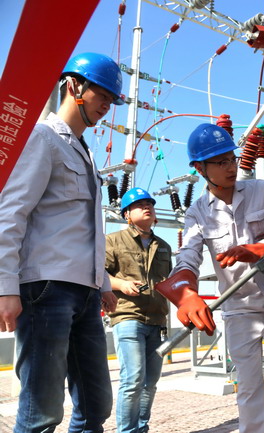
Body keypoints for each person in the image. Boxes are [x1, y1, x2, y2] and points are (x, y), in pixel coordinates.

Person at [155, 123, 264, 433]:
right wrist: (185, 292)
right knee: (249, 388)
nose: (231, 167)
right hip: (240, 309)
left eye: (231, 158)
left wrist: (256, 249)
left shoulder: (261, 190)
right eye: (220, 162)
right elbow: (188, 256)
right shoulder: (198, 213)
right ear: (200, 168)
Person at [0, 52, 123, 432]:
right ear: (74, 87)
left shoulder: (85, 153)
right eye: (101, 94)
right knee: (42, 411)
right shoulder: (43, 138)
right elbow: (11, 212)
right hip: (46, 289)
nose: (106, 105)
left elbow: (85, 227)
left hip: (84, 293)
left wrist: (101, 282)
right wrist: (5, 286)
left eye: (110, 99)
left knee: (96, 403)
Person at [105, 187, 173, 433]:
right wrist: (121, 284)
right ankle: (127, 431)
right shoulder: (113, 241)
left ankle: (141, 428)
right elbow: (98, 274)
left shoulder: (163, 246)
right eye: (140, 205)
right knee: (133, 380)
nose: (147, 208)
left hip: (157, 320)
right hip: (127, 316)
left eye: (150, 204)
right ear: (126, 214)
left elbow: (169, 282)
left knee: (150, 383)